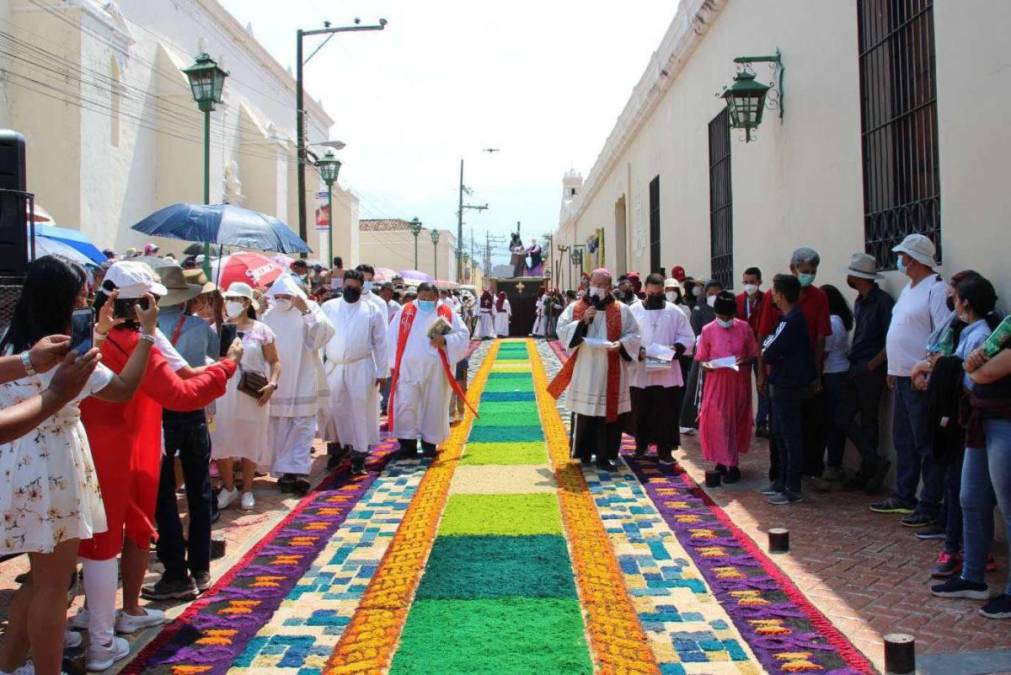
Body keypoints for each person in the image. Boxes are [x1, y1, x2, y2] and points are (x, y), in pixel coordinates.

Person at [78, 261, 239, 670]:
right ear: (139, 305)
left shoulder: (104, 333)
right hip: (121, 445)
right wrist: (227, 364)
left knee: (126, 532)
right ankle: (99, 640)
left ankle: (119, 612)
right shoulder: (135, 342)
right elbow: (181, 392)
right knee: (104, 541)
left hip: (124, 439)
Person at [0, 256, 154, 675]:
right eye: (82, 298)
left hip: (16, 463)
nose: (87, 304)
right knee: (54, 585)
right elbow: (121, 390)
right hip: (54, 464)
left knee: (36, 581)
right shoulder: (71, 355)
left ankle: (10, 666)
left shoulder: (11, 345)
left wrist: (97, 332)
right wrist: (148, 338)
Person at [931, 296, 1011, 619]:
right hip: (982, 421)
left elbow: (984, 372)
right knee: (971, 497)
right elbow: (973, 366)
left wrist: (975, 365)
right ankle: (972, 577)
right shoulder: (1002, 326)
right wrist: (974, 365)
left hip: (1005, 422)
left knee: (1008, 507)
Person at [148, 263, 221, 607]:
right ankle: (201, 566)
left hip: (160, 413)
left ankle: (175, 569)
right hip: (192, 410)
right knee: (199, 489)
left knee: (163, 493)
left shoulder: (148, 330)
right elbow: (213, 363)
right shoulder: (202, 328)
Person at [870, 234, 951, 522]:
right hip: (902, 378)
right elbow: (900, 329)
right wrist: (894, 368)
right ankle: (905, 496)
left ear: (915, 259)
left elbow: (944, 335)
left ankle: (930, 504)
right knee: (904, 440)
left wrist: (926, 369)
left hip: (922, 380)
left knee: (925, 442)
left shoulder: (937, 290)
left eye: (903, 256)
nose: (900, 261)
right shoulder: (909, 289)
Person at [550, 268, 640, 471]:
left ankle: (606, 455)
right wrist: (582, 322)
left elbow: (634, 335)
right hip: (586, 367)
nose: (597, 288)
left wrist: (622, 344)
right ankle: (583, 452)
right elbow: (561, 331)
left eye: (602, 285)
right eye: (594, 284)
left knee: (608, 413)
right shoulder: (576, 307)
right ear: (589, 284)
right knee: (586, 411)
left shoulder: (621, 310)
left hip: (611, 366)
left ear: (609, 287)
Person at [756, 248, 833, 481]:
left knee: (803, 427)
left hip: (802, 371)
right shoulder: (775, 296)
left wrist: (817, 374)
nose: (808, 275)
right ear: (793, 269)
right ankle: (780, 474)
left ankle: (800, 476)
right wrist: (761, 372)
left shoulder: (818, 297)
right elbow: (763, 336)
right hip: (779, 371)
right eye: (804, 271)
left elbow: (820, 337)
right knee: (779, 428)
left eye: (812, 272)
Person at [210, 282, 280, 512]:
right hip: (222, 389)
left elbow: (274, 361)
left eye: (236, 299)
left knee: (251, 438)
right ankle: (229, 487)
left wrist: (273, 382)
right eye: (228, 298)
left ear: (247, 303)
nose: (231, 303)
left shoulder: (262, 330)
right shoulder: (215, 329)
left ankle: (247, 489)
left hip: (251, 390)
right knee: (222, 438)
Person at [263, 274, 334, 494]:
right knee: (280, 427)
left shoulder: (310, 308)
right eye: (278, 295)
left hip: (304, 376)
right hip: (279, 379)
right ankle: (285, 473)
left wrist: (306, 312)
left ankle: (298, 471)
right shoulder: (269, 314)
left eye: (287, 295)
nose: (282, 299)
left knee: (303, 425)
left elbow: (324, 334)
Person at [387, 282, 471, 458]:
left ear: (437, 297)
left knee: (434, 405)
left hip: (436, 371)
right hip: (408, 369)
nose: (426, 301)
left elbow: (463, 335)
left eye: (429, 298)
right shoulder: (406, 312)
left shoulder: (446, 312)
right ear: (417, 296)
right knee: (406, 404)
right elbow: (391, 337)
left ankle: (429, 443)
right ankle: (407, 443)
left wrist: (446, 340)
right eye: (422, 298)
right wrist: (392, 364)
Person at [320, 270, 389, 475]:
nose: (351, 290)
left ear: (362, 288)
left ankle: (359, 456)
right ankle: (336, 450)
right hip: (334, 367)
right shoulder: (328, 307)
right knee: (334, 410)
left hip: (361, 366)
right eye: (347, 286)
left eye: (355, 287)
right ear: (342, 285)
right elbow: (320, 337)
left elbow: (381, 342)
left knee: (360, 410)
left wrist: (382, 371)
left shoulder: (372, 310)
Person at [838, 254, 894, 492]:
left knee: (869, 420)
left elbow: (891, 339)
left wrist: (874, 364)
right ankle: (873, 461)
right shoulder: (860, 301)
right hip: (857, 364)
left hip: (871, 368)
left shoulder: (882, 302)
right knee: (844, 417)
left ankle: (869, 470)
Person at [761, 274, 817, 505]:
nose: (772, 295)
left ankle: (792, 487)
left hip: (788, 385)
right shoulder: (787, 319)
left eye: (774, 292)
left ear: (781, 295)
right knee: (780, 435)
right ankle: (782, 482)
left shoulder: (791, 321)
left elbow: (768, 349)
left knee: (790, 436)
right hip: (783, 384)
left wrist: (770, 350)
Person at [629, 273, 695, 466]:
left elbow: (688, 338)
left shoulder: (675, 312)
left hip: (667, 371)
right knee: (641, 410)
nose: (656, 297)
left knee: (665, 413)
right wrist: (637, 350)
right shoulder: (633, 310)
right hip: (641, 370)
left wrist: (676, 348)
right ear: (645, 291)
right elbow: (627, 335)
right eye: (651, 293)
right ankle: (641, 446)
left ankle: (665, 451)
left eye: (659, 294)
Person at [696, 291, 759, 481]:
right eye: (721, 317)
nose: (725, 320)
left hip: (738, 382)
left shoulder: (744, 328)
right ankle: (728, 463)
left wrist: (742, 360)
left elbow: (754, 354)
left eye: (729, 317)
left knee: (734, 422)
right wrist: (708, 365)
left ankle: (728, 460)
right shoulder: (708, 330)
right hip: (717, 383)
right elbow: (701, 359)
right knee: (719, 421)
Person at [820, 284, 853, 482]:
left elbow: (824, 351)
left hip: (834, 374)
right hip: (836, 372)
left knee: (833, 422)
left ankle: (834, 463)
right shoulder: (838, 319)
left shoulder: (832, 321)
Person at [736, 267, 769, 436]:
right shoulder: (738, 300)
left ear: (759, 282)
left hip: (761, 350)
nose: (749, 286)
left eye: (752, 282)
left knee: (762, 384)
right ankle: (742, 419)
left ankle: (761, 421)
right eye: (746, 282)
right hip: (742, 351)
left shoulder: (767, 300)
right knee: (741, 386)